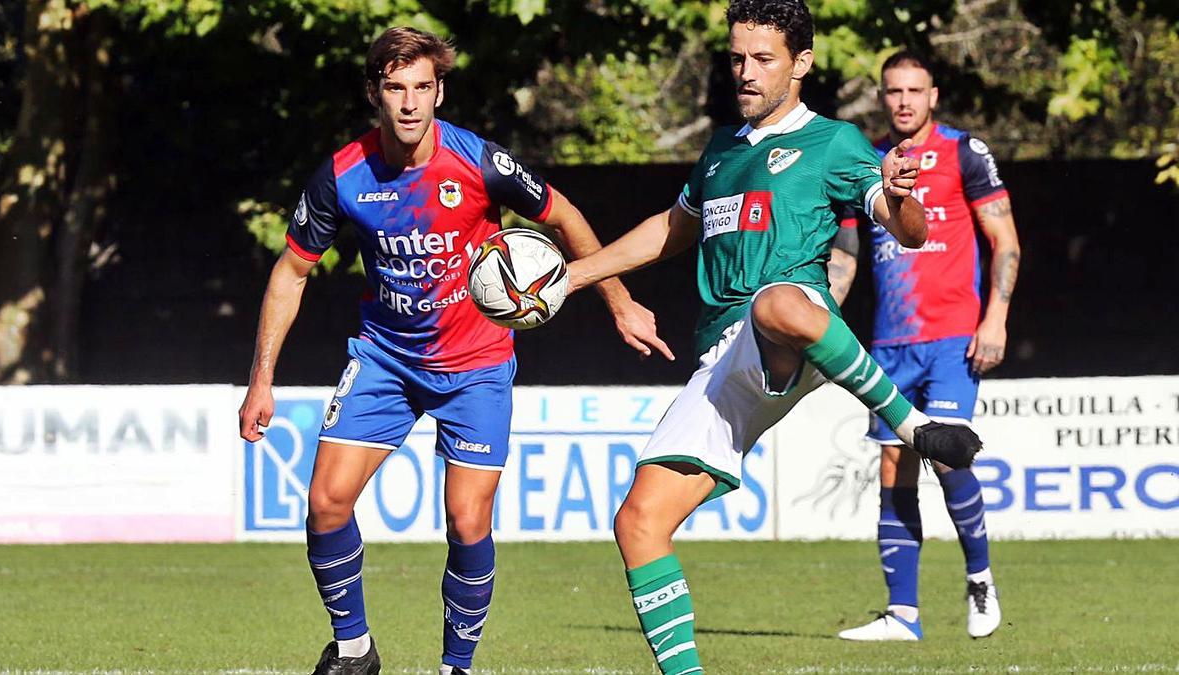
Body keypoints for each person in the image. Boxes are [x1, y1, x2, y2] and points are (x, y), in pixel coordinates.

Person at [237, 27, 671, 675]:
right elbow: (290, 273)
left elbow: (565, 216)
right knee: (326, 501)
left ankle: (456, 667)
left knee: (467, 520)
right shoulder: (342, 176)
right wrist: (261, 378)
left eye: (422, 88)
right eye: (395, 88)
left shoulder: (479, 162)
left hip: (477, 364)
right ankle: (354, 648)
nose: (410, 103)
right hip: (385, 358)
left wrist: (618, 301)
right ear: (374, 94)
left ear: (439, 91)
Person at [565, 2, 983, 672]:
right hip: (721, 359)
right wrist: (571, 275)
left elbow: (909, 231)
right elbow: (673, 229)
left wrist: (901, 193)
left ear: (802, 63)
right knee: (639, 523)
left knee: (777, 300)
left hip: (794, 322)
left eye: (763, 59)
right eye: (737, 57)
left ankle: (912, 426)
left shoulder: (836, 143)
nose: (746, 71)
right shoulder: (724, 148)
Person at [830, 51, 1020, 641]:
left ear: (933, 95)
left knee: (947, 453)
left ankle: (980, 578)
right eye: (894, 91)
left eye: (915, 90)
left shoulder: (965, 152)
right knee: (894, 465)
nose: (904, 101)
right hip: (890, 344)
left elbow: (1004, 240)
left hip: (953, 338)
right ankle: (902, 615)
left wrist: (998, 318)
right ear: (883, 97)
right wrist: (820, 319)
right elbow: (845, 257)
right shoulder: (868, 161)